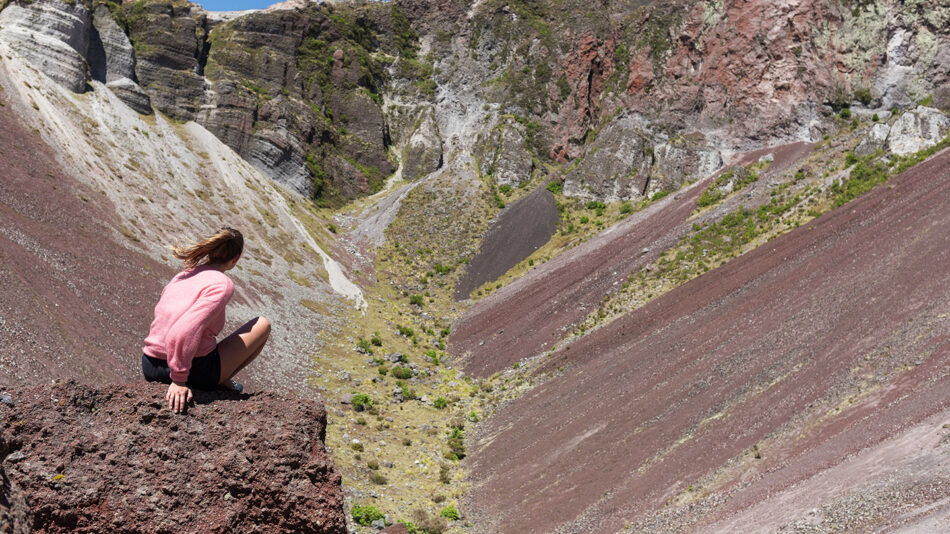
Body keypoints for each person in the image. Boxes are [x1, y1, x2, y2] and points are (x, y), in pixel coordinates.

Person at [141, 227, 270, 413]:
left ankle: (221, 378)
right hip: (190, 370)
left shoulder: (184, 275)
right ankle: (218, 378)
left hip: (150, 363)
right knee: (262, 324)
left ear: (211, 250)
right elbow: (185, 329)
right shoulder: (221, 283)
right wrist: (178, 379)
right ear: (235, 259)